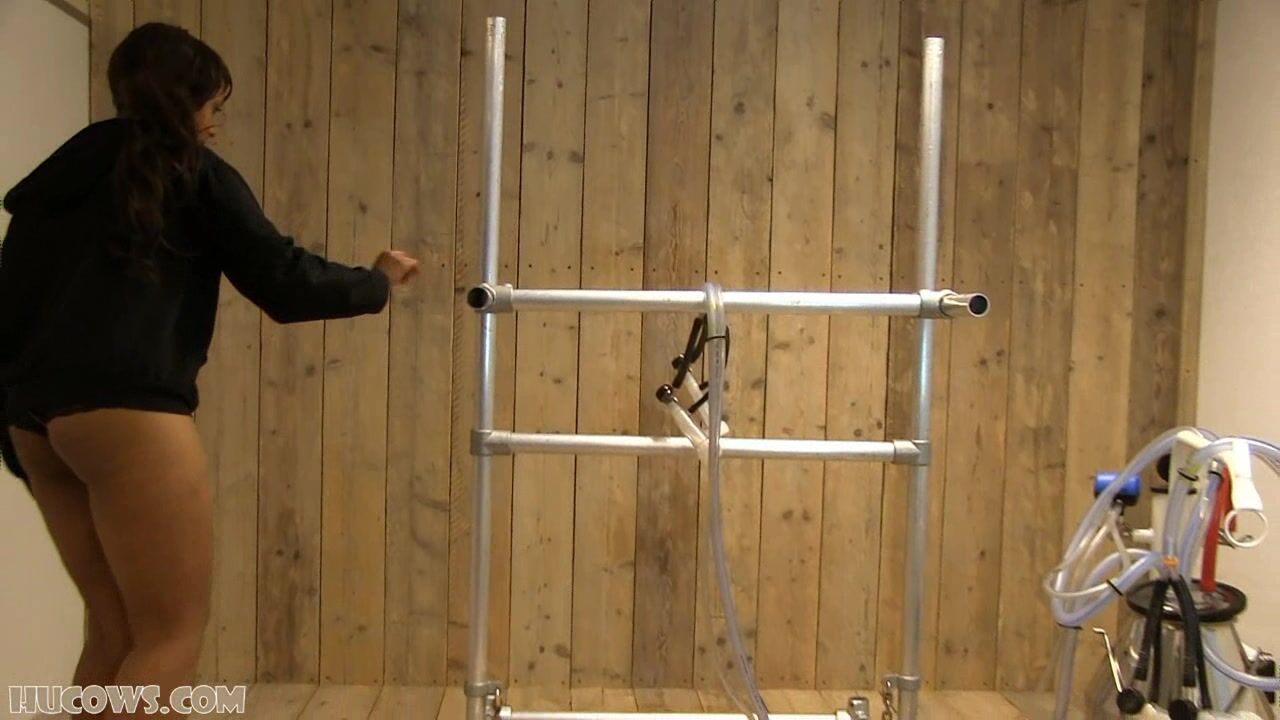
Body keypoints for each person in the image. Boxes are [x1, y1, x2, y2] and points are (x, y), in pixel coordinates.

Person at [0, 23, 419, 717]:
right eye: (213, 105)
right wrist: (376, 282)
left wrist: (17, 427)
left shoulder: (51, 186)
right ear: (186, 98)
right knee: (169, 638)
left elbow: (9, 310)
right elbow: (283, 281)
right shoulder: (193, 173)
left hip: (34, 424)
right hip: (130, 417)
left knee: (115, 632)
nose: (214, 122)